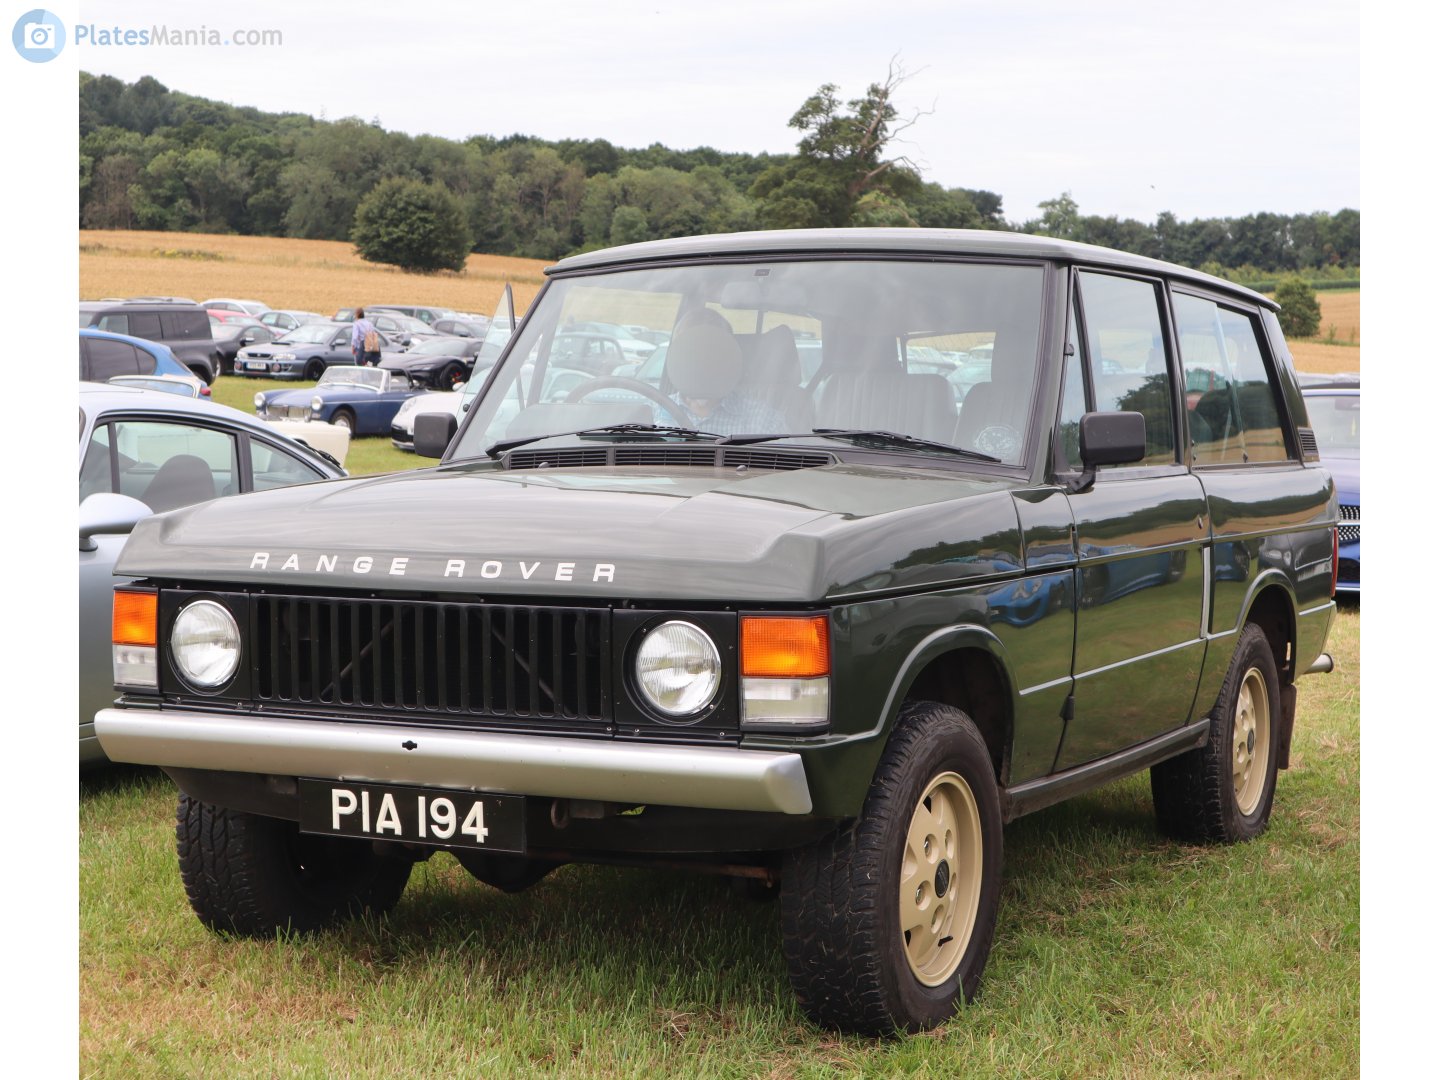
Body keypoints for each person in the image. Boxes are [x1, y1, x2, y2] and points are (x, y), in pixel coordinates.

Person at [662, 308, 786, 436]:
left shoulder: (765, 423)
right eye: (692, 352)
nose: (701, 361)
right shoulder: (650, 415)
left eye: (712, 352)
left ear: (728, 359)